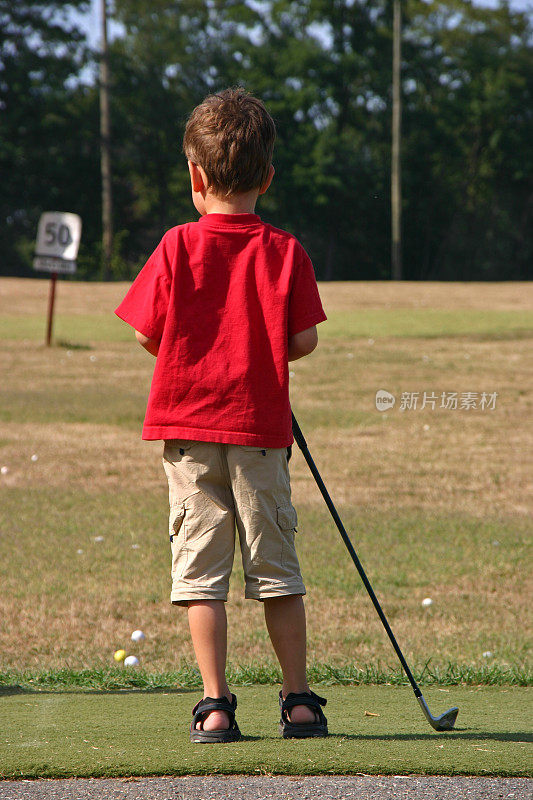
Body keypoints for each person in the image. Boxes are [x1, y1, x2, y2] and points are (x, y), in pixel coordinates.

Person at [115, 87, 328, 743]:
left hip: (186, 437)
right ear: (266, 176)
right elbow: (303, 341)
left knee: (201, 577)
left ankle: (214, 706)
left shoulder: (176, 246)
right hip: (260, 436)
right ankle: (298, 702)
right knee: (276, 571)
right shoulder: (284, 249)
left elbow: (147, 333)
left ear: (194, 177)